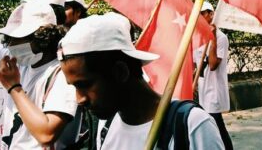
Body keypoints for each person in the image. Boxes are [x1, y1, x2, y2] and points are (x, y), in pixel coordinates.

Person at [58, 13, 225, 149]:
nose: (79, 99)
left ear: (120, 72)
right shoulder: (104, 127)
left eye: (84, 85)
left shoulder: (191, 125)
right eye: (73, 87)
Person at [0, 0, 79, 149]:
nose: (11, 45)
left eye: (18, 38)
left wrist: (14, 87)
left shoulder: (61, 75)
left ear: (43, 38)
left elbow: (47, 135)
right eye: (10, 38)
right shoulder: (20, 60)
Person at [194, 1, 233, 150]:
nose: (201, 17)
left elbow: (213, 64)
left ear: (211, 14)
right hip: (203, 89)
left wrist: (213, 38)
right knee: (211, 127)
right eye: (199, 14)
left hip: (214, 91)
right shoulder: (198, 36)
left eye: (204, 13)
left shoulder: (221, 38)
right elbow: (196, 65)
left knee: (217, 125)